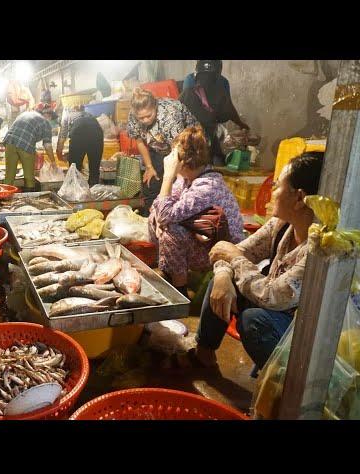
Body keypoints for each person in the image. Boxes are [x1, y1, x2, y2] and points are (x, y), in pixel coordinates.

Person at [192, 152, 324, 372]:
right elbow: (233, 252)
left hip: (300, 333)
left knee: (254, 321)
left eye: (277, 185)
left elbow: (273, 296)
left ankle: (283, 383)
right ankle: (203, 354)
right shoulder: (281, 225)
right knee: (226, 279)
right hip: (275, 308)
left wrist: (233, 258)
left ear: (299, 198)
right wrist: (224, 276)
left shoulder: (318, 249)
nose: (272, 192)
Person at [147, 126, 244, 297]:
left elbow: (165, 213)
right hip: (201, 236)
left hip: (219, 248)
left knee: (171, 231)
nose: (169, 160)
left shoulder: (206, 186)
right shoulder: (188, 178)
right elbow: (159, 205)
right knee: (155, 219)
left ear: (183, 162)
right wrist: (158, 219)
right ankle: (172, 272)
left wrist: (168, 175)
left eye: (173, 157)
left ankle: (180, 289)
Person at [127, 87, 199, 212]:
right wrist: (149, 167)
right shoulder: (134, 115)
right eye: (141, 118)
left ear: (155, 107)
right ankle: (149, 220)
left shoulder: (170, 115)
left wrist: (173, 175)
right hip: (159, 147)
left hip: (187, 147)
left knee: (178, 187)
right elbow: (139, 140)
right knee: (150, 185)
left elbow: (178, 148)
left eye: (148, 116)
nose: (145, 120)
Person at [179, 60, 249, 165]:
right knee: (206, 163)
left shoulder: (220, 86)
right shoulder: (191, 86)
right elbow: (227, 111)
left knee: (210, 160)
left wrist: (240, 123)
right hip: (196, 137)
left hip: (200, 137)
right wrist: (240, 123)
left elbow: (228, 109)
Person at [3, 103, 56, 190]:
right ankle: (29, 198)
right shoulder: (46, 123)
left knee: (9, 176)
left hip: (10, 141)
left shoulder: (26, 113)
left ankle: (3, 199)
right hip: (25, 144)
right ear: (48, 116)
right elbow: (48, 145)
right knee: (29, 177)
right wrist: (53, 162)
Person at [56, 104, 103, 186]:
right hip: (97, 134)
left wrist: (59, 155)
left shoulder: (66, 117)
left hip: (79, 133)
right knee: (94, 170)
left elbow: (62, 138)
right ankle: (94, 192)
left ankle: (74, 192)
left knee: (75, 169)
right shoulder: (89, 114)